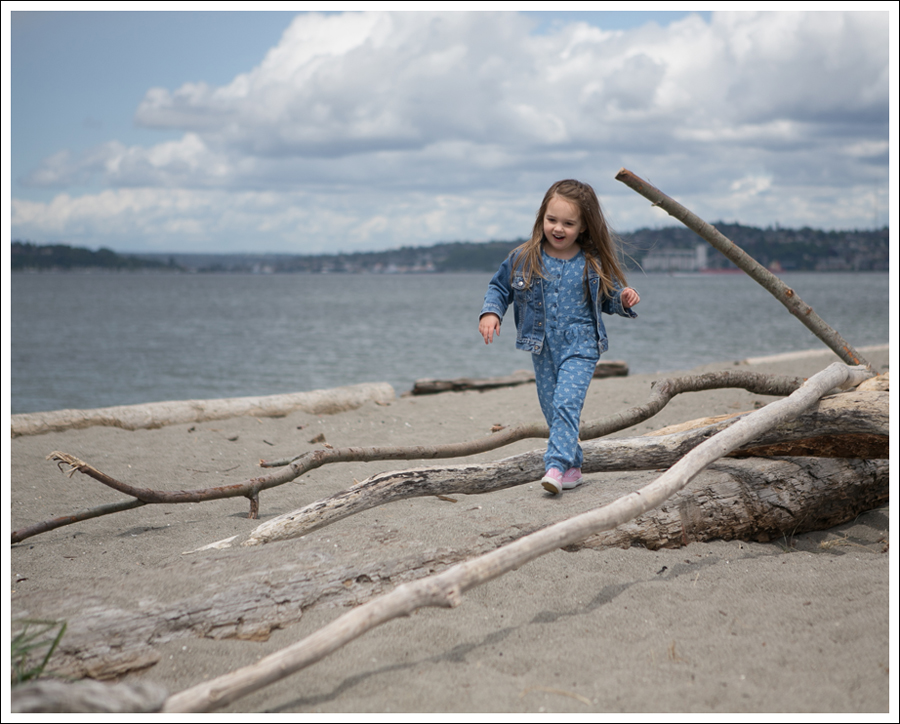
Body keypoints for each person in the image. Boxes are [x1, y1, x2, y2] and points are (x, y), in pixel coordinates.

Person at [479, 179, 640, 495]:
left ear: (583, 226)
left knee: (566, 402)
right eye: (552, 219)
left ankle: (554, 466)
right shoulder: (524, 257)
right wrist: (491, 312)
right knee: (553, 409)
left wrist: (622, 299)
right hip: (542, 345)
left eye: (568, 223)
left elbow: (608, 297)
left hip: (582, 344)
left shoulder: (591, 261)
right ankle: (573, 467)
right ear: (542, 217)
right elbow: (499, 287)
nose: (558, 228)